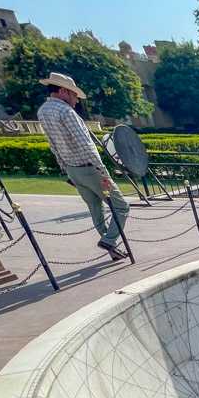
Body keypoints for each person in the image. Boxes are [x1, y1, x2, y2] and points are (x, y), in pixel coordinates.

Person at [37, 72, 129, 259]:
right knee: (122, 206)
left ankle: (111, 247)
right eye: (74, 96)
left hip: (73, 169)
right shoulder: (66, 112)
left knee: (95, 208)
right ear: (64, 91)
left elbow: (53, 146)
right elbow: (85, 144)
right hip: (89, 168)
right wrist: (103, 172)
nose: (76, 102)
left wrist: (67, 170)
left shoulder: (43, 111)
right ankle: (110, 240)